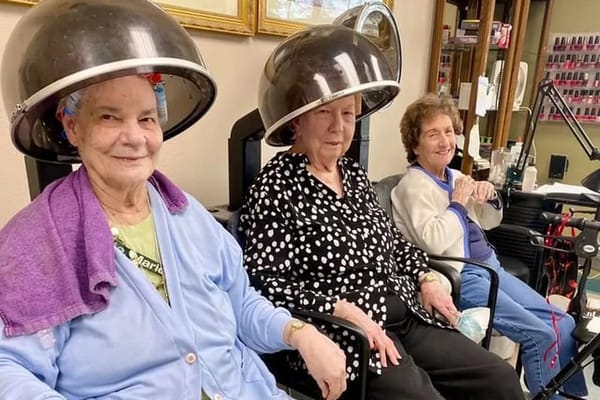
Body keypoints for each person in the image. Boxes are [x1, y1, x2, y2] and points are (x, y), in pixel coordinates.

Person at [0, 2, 347, 400]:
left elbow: (242, 305)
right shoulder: (38, 244)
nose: (135, 137)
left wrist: (298, 333)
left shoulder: (187, 216)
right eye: (110, 117)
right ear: (73, 126)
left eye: (147, 118)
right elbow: (9, 366)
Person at [239, 24, 523, 400]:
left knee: (498, 379)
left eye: (348, 114)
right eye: (325, 112)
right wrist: (343, 310)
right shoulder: (274, 187)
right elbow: (265, 285)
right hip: (343, 332)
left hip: (403, 310)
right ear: (297, 118)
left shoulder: (353, 175)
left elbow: (390, 243)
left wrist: (424, 276)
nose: (339, 128)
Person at [391, 93, 588, 399]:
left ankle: (570, 395)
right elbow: (433, 241)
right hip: (464, 277)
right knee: (541, 334)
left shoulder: (453, 175)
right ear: (415, 145)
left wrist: (488, 195)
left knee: (562, 321)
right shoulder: (412, 187)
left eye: (448, 131)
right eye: (433, 134)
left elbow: (487, 221)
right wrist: (457, 204)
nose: (445, 141)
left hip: (490, 266)